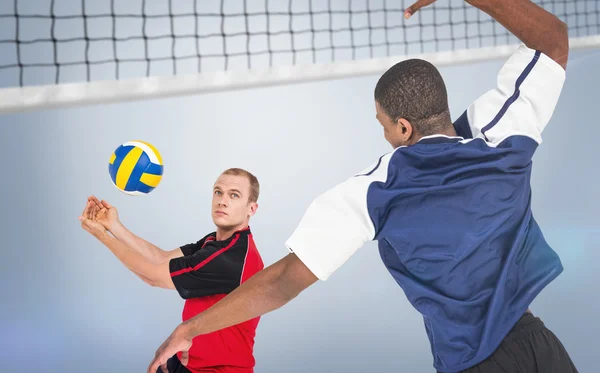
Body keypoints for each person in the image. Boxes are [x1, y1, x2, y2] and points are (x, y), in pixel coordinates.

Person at [146, 1, 578, 372]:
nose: (385, 134)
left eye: (384, 125)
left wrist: (190, 328)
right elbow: (554, 40)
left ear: (403, 127)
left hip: (474, 363)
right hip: (539, 345)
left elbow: (281, 283)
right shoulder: (498, 139)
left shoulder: (374, 191)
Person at [78, 168, 265, 373]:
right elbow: (162, 258)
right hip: (186, 360)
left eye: (234, 195)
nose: (222, 200)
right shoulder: (215, 241)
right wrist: (113, 226)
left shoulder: (231, 256)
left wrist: (102, 236)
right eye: (218, 192)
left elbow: (153, 276)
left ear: (252, 208)